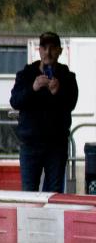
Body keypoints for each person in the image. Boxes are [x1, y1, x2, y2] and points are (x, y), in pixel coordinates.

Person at [10, 31, 79, 192]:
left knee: (54, 193)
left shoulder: (67, 77)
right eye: (44, 48)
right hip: (30, 144)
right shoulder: (26, 75)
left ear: (60, 51)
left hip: (56, 145)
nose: (48, 52)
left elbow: (71, 103)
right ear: (39, 50)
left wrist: (58, 92)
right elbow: (15, 101)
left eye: (52, 48)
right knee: (29, 193)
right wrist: (33, 88)